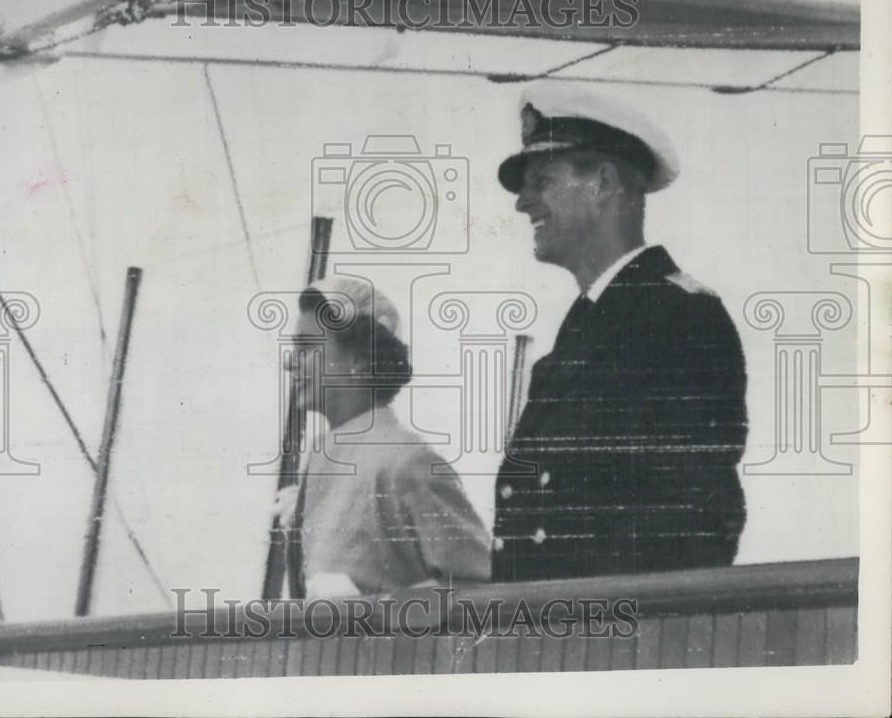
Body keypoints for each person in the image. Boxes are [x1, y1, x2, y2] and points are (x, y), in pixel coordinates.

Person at [492, 82, 748, 583]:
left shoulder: (679, 318)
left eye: (542, 180)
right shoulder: (586, 325)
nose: (523, 202)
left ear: (604, 183)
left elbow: (698, 520)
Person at [273, 277, 490, 599]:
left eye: (306, 347)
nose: (290, 363)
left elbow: (478, 590)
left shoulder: (407, 462)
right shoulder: (320, 460)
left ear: (360, 359)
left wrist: (377, 607)